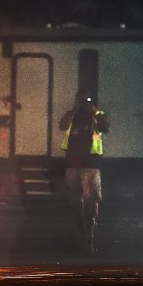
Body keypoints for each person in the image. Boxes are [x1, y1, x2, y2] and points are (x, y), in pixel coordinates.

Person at [59, 88, 110, 253]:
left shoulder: (98, 114)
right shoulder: (72, 114)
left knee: (90, 201)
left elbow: (105, 127)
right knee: (76, 201)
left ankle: (89, 237)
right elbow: (62, 126)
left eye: (86, 100)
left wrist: (95, 112)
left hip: (90, 163)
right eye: (81, 100)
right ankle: (83, 231)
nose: (83, 104)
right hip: (73, 163)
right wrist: (73, 111)